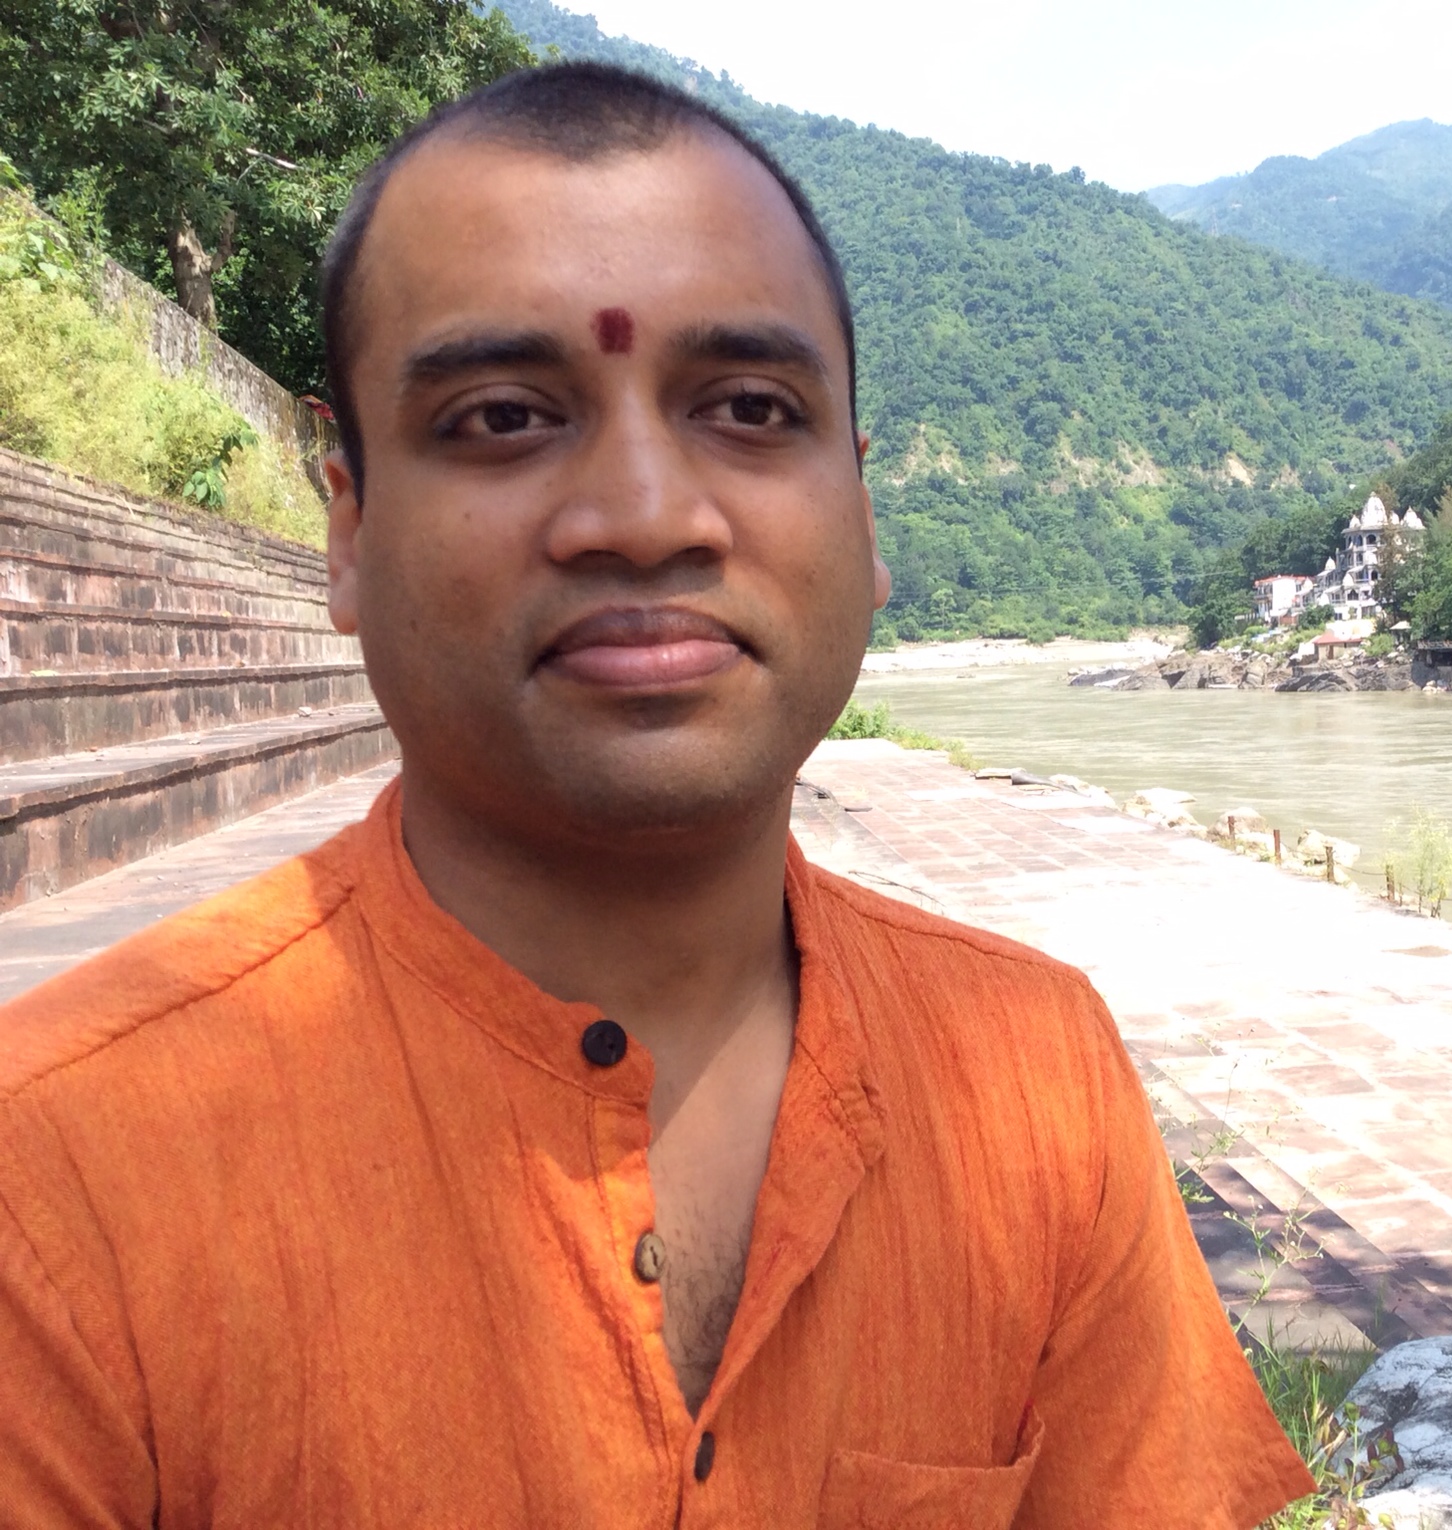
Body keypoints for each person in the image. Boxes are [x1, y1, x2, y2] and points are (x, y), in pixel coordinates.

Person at [0, 62, 1312, 1528]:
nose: (643, 516)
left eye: (749, 407)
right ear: (348, 529)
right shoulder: (56, 1172)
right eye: (503, 417)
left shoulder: (1036, 1079)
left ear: (863, 507)